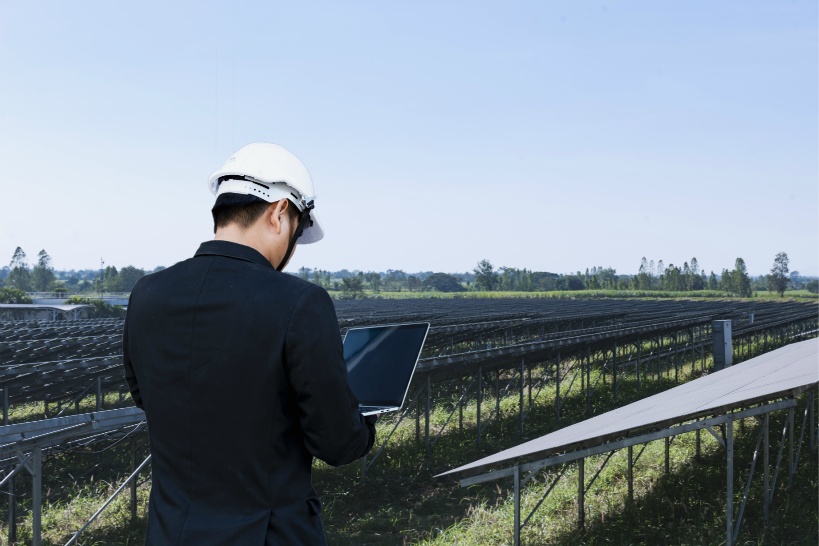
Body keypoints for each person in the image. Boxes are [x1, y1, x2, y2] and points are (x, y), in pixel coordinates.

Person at [122, 143, 377, 545]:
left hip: (171, 532)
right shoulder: (300, 303)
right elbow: (338, 442)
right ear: (279, 213)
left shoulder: (146, 294)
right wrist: (364, 419)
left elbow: (144, 393)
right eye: (296, 230)